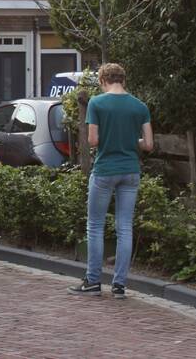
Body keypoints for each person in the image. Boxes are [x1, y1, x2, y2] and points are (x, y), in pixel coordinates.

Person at [68, 62, 153, 300]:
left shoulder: (96, 103)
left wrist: (111, 138)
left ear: (103, 81)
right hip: (130, 171)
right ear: (123, 80)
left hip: (105, 170)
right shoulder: (140, 106)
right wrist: (130, 140)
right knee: (124, 227)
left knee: (95, 225)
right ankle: (119, 286)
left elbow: (93, 140)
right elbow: (148, 144)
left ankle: (93, 282)